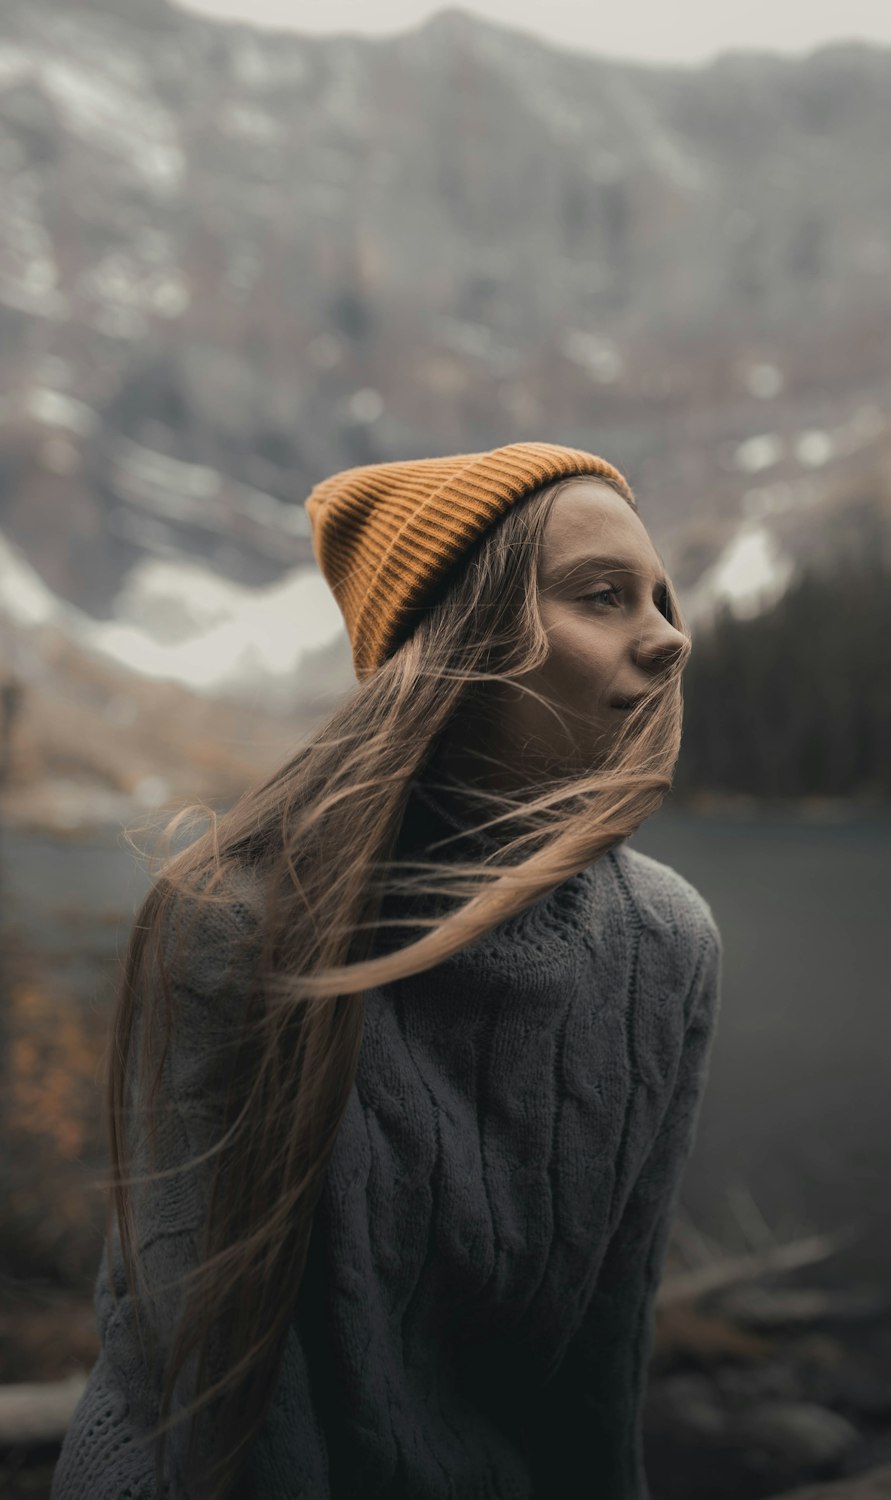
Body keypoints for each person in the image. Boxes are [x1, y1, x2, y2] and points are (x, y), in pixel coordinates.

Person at [52, 440, 723, 1500]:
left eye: (661, 598)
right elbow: (214, 1397)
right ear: (461, 642)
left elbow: (605, 1356)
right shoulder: (239, 927)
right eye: (604, 597)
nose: (670, 639)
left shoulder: (668, 945)